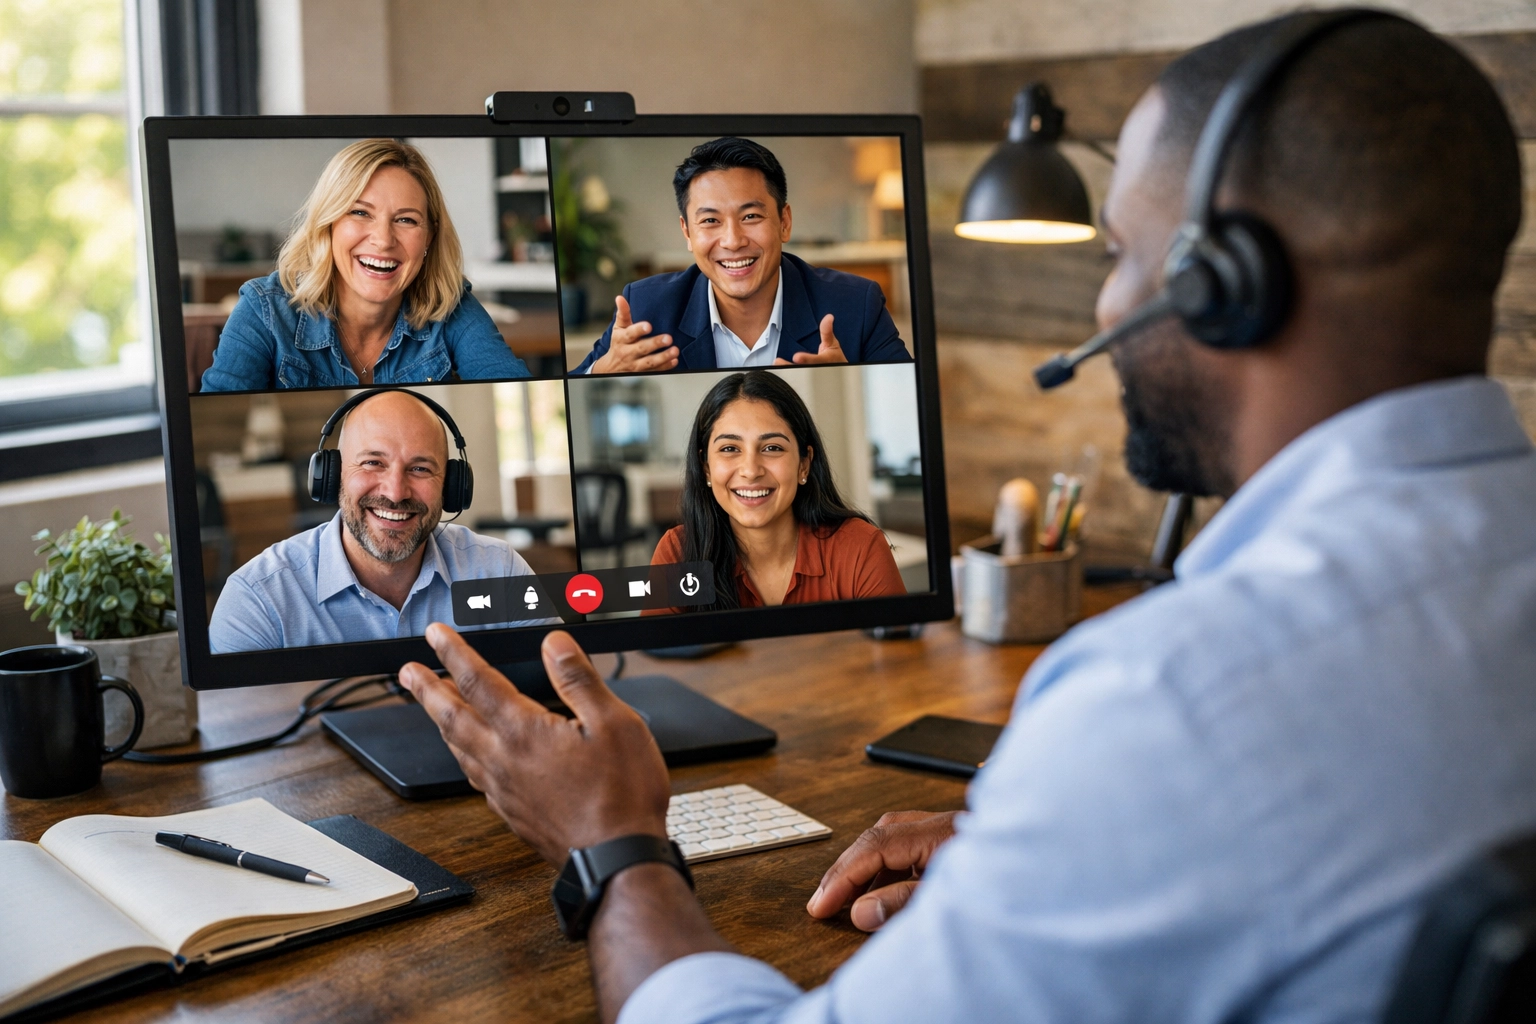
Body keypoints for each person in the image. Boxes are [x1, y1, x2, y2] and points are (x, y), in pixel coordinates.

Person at [397, 12, 1536, 1024]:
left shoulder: (1168, 699)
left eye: (1120, 255)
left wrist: (617, 846)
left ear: (1226, 284)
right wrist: (1079, 857)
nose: (1103, 304)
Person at [209, 390, 541, 652]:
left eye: (420, 468)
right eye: (372, 462)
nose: (396, 493)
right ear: (334, 475)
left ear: (452, 486)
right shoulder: (257, 600)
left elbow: (554, 694)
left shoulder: (500, 571)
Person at [199, 139, 529, 392]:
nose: (383, 239)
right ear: (328, 225)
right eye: (360, 212)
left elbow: (512, 390)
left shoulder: (451, 306)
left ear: (429, 238)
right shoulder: (263, 310)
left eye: (406, 219)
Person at [570, 137, 912, 374]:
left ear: (784, 222)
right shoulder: (645, 308)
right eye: (710, 221)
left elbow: (911, 410)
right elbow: (573, 383)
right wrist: (603, 369)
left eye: (751, 216)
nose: (732, 241)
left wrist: (856, 378)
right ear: (687, 232)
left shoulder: (857, 305)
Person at [648, 369, 904, 610]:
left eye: (772, 448)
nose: (751, 470)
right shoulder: (677, 553)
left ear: (804, 464)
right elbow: (654, 653)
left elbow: (897, 651)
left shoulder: (859, 546)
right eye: (729, 449)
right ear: (706, 468)